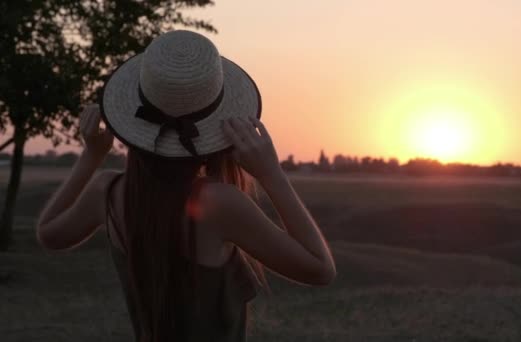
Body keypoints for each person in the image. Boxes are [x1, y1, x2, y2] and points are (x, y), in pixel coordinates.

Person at [36, 30, 336, 342]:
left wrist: (91, 156)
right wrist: (272, 174)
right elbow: (319, 269)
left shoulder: (108, 191)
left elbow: (49, 234)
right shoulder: (218, 203)